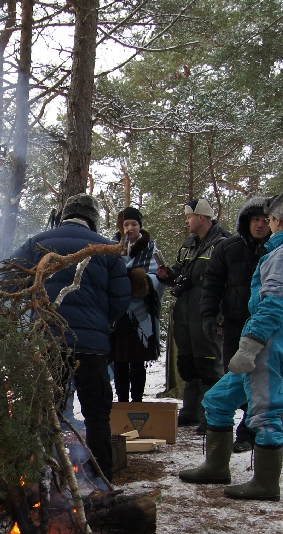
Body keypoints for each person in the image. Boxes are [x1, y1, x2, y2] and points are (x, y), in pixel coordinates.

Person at [178, 190, 283, 501]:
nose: (265, 222)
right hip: (268, 335)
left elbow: (272, 307)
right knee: (218, 399)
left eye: (269, 218)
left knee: (265, 409)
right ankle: (216, 467)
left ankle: (265, 484)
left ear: (276, 220)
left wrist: (248, 347)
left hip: (268, 340)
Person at [14, 193, 131, 480]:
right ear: (92, 219)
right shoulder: (107, 249)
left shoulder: (36, 243)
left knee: (46, 414)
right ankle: (101, 478)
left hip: (49, 343)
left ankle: (43, 478)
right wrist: (101, 323)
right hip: (91, 348)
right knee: (97, 414)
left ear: (64, 215)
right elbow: (121, 299)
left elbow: (10, 281)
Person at [200, 196, 271, 452]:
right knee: (233, 374)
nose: (260, 225)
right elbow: (212, 284)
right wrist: (209, 315)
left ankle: (247, 433)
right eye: (255, 220)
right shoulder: (228, 248)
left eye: (265, 220)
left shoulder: (276, 250)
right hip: (234, 322)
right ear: (246, 221)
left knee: (258, 379)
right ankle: (221, 425)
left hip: (265, 327)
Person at [157, 198, 230, 429]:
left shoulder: (224, 243)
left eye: (188, 217)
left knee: (209, 364)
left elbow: (229, 282)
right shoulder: (188, 244)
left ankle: (212, 416)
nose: (186, 221)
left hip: (207, 314)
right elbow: (179, 272)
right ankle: (191, 411)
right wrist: (167, 275)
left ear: (201, 217)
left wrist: (221, 315)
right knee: (188, 364)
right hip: (185, 314)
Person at [109, 207, 165, 402]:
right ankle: (123, 402)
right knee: (119, 361)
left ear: (140, 226)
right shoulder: (112, 248)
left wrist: (142, 281)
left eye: (134, 224)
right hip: (118, 314)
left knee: (137, 361)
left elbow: (159, 278)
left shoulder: (151, 248)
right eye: (126, 224)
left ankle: (137, 402)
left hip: (141, 315)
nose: (130, 228)